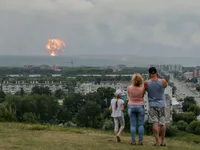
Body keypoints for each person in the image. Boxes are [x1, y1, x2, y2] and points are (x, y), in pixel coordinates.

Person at [144, 67, 168, 146]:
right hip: (161, 104)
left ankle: (157, 142)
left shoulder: (146, 83)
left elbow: (146, 90)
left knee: (155, 122)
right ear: (157, 72)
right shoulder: (163, 81)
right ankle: (162, 141)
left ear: (149, 73)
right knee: (162, 123)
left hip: (152, 105)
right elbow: (165, 86)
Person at [127, 73, 145, 145]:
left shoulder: (129, 87)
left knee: (133, 125)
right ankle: (140, 141)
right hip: (140, 106)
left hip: (131, 105)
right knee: (140, 125)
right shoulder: (143, 88)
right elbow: (143, 96)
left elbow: (129, 95)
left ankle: (133, 141)